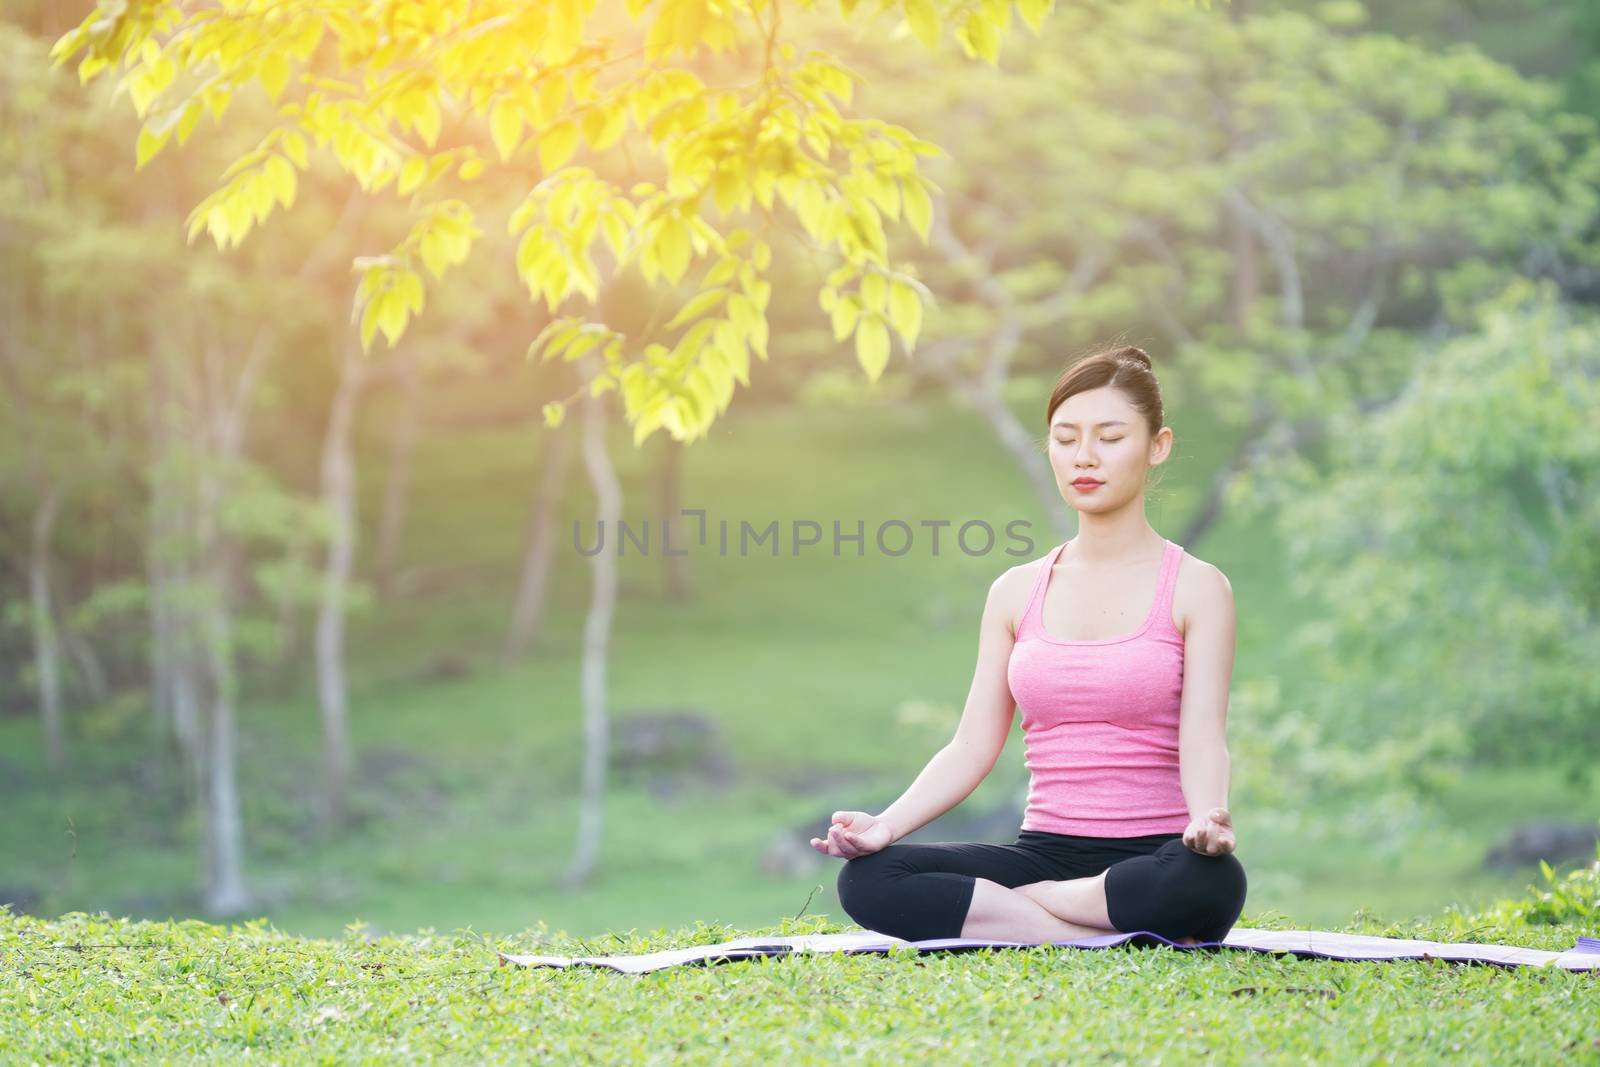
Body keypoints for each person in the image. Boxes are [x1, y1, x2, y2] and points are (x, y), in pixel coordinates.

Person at [812, 344, 1248, 946]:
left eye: (1110, 437)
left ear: (1157, 446)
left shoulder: (1198, 588)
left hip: (1155, 857)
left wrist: (1208, 819)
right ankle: (1084, 932)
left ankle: (1018, 915)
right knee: (870, 881)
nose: (1084, 457)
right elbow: (970, 745)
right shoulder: (1016, 591)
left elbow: (1203, 735)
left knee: (1211, 882)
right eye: (1065, 439)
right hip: (1043, 853)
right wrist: (885, 827)